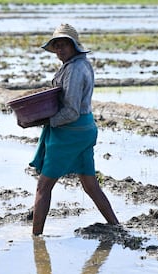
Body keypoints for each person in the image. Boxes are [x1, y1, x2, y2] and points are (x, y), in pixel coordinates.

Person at [29, 23, 119, 235]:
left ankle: (35, 239)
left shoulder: (75, 69)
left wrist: (43, 121)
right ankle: (116, 225)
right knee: (90, 185)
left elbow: (70, 111)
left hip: (71, 133)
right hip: (85, 129)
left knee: (43, 187)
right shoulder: (79, 64)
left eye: (64, 45)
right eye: (56, 46)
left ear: (74, 46)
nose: (60, 50)